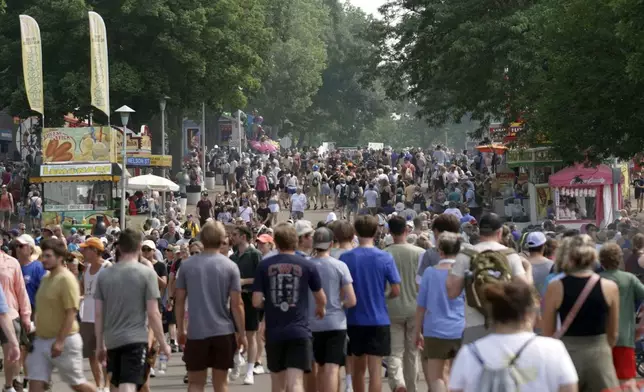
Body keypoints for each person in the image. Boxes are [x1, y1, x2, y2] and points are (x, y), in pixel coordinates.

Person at [448, 281, 579, 392]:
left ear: (492, 315)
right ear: (529, 313)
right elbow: (569, 388)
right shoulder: (553, 349)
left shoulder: (469, 353)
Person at [252, 223, 327, 392]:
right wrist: (320, 308)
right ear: (295, 241)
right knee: (296, 382)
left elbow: (256, 301)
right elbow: (321, 298)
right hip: (300, 330)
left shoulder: (264, 266)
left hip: (275, 331)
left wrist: (270, 304)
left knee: (278, 384)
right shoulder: (307, 265)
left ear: (276, 243)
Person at [94, 229, 170, 392]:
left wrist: (100, 344)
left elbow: (99, 313)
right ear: (139, 247)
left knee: (116, 382)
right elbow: (153, 313)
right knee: (128, 384)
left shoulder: (104, 275)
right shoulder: (147, 273)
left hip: (112, 339)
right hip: (135, 339)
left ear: (119, 248)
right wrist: (163, 343)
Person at [542, 234, 620, 392]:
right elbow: (613, 334)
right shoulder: (610, 287)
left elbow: (547, 333)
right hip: (600, 356)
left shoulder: (555, 287)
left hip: (567, 356)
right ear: (593, 256)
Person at [175, 222, 246, 392]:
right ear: (223, 240)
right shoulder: (230, 266)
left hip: (197, 332)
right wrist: (242, 334)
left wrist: (180, 329)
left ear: (201, 238)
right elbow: (237, 304)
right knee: (221, 384)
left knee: (195, 383)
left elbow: (179, 301)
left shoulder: (187, 266)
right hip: (223, 331)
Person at [340, 215, 401, 392]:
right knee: (375, 371)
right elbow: (396, 290)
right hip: (378, 318)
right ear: (376, 232)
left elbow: (342, 291)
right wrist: (383, 296)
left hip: (354, 319)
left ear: (356, 233)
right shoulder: (385, 257)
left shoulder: (346, 257)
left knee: (358, 370)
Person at [26, 238, 95, 392]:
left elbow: (71, 312)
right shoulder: (45, 279)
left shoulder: (66, 279)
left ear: (60, 258)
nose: (44, 259)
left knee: (77, 384)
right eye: (43, 255)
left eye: (48, 256)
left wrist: (60, 341)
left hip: (65, 341)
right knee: (35, 384)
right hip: (41, 341)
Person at [446, 213, 528, 343]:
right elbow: (525, 289)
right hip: (504, 325)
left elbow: (452, 292)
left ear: (479, 231)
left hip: (474, 325)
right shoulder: (510, 255)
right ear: (500, 232)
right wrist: (528, 269)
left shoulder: (466, 255)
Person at [307, 227, 357, 392]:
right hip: (336, 322)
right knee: (332, 368)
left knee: (319, 367)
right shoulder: (340, 265)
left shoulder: (306, 265)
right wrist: (340, 304)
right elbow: (351, 299)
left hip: (312, 322)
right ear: (331, 244)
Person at [414, 232, 464, 392]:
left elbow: (421, 305)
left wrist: (417, 331)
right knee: (458, 376)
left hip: (434, 330)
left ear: (439, 250)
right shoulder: (464, 273)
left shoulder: (429, 273)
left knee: (436, 377)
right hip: (460, 328)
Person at [383, 216, 424, 392]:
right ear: (407, 231)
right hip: (415, 307)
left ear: (389, 232)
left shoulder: (384, 254)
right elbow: (423, 284)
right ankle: (412, 387)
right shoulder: (419, 253)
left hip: (392, 307)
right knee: (412, 353)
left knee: (394, 352)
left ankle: (398, 382)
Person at [598, 243, 644, 387]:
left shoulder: (593, 279)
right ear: (619, 259)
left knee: (603, 384)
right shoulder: (629, 279)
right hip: (625, 338)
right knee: (626, 383)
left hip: (599, 340)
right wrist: (641, 326)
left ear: (601, 261)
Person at [229, 225, 263, 385]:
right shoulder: (233, 257)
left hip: (249, 298)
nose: (232, 237)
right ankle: (237, 360)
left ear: (243, 237)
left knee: (251, 334)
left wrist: (244, 281)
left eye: (235, 234)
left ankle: (249, 371)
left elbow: (261, 279)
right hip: (235, 299)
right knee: (235, 335)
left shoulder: (255, 254)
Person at [79, 238, 111, 392]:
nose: (83, 252)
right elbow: (83, 291)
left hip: (103, 316)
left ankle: (107, 384)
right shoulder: (86, 269)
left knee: (104, 353)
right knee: (91, 354)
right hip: (87, 316)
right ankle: (98, 384)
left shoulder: (107, 268)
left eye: (86, 249)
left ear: (95, 250)